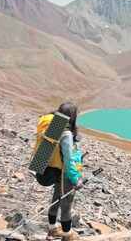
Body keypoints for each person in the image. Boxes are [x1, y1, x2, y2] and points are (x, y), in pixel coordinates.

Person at [42, 102, 84, 241]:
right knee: (66, 205)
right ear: (72, 116)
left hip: (55, 170)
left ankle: (52, 228)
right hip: (66, 174)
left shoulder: (54, 125)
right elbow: (68, 159)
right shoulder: (65, 133)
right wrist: (75, 179)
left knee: (55, 199)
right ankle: (67, 235)